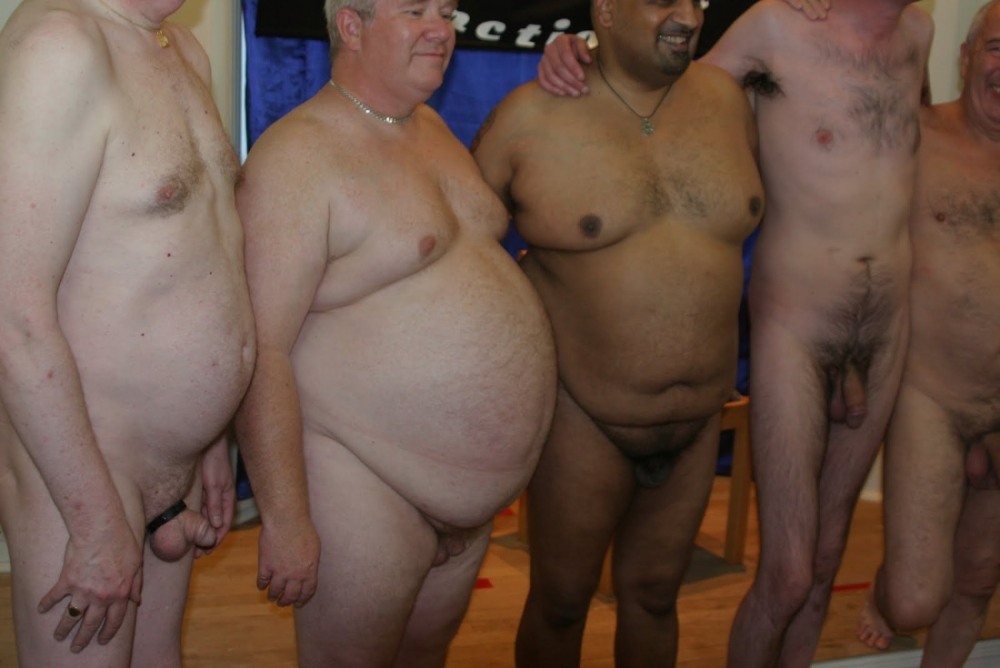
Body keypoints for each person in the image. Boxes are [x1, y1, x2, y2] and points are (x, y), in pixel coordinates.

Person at [537, 0, 932, 665]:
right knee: (788, 573)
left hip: (888, 327)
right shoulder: (777, 24)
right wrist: (578, 52)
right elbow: (662, 87)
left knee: (826, 557)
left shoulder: (919, 30)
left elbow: (908, 149)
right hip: (796, 327)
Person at [232, 0, 558, 664]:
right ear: (352, 26)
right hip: (366, 483)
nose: (441, 28)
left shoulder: (427, 125)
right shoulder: (298, 155)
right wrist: (287, 521)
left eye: (447, 10)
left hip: (464, 501)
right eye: (415, 10)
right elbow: (259, 348)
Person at [473, 1, 763, 665]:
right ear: (604, 10)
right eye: (663, 0)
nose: (687, 14)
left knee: (657, 596)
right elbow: (462, 256)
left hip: (698, 418)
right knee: (561, 600)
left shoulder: (727, 100)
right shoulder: (528, 118)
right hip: (583, 415)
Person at [0, 0, 255, 665]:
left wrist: (210, 436)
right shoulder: (59, 46)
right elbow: (11, 314)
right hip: (85, 468)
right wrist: (93, 521)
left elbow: (205, 252)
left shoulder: (180, 49)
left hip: (174, 466)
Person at [855, 2, 1000, 663]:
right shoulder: (914, 135)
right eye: (997, 48)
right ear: (966, 57)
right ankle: (883, 590)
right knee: (915, 601)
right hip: (931, 395)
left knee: (978, 580)